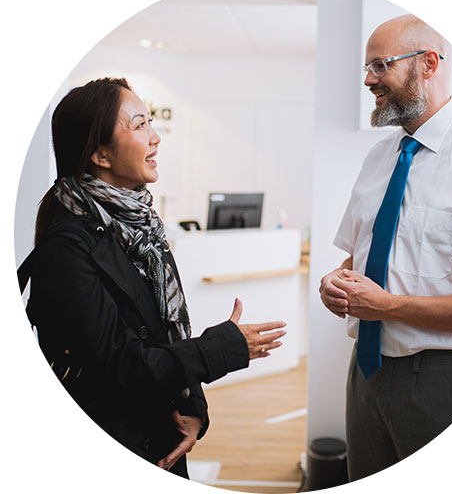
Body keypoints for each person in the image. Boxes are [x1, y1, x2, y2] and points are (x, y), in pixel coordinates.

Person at [20, 77, 286, 478]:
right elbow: (123, 365)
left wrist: (193, 406)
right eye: (140, 125)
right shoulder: (66, 249)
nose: (156, 137)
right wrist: (223, 348)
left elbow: (166, 331)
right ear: (100, 154)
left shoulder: (141, 226)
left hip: (157, 433)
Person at [319, 15, 452, 481]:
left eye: (380, 65)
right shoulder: (379, 158)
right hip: (366, 375)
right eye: (366, 67)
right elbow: (356, 257)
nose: (368, 80)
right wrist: (335, 280)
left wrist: (390, 307)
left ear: (429, 64)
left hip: (444, 381)